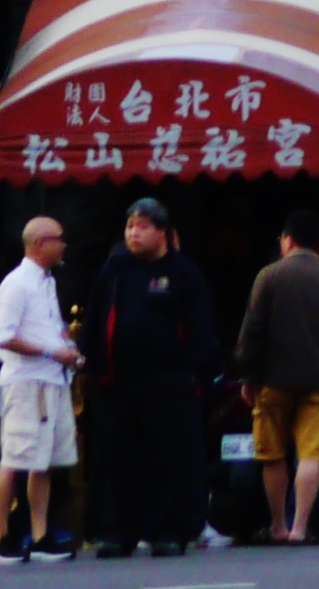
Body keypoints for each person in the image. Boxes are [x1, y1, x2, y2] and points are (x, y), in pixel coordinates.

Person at [90, 197, 223, 555]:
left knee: (170, 460)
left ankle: (170, 530)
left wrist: (194, 370)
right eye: (129, 226)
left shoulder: (182, 272)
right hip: (120, 383)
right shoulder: (115, 269)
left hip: (170, 384)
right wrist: (92, 363)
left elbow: (200, 327)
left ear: (162, 232)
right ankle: (119, 532)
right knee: (121, 459)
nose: (133, 233)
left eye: (142, 226)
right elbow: (96, 317)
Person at [232, 213, 319, 546]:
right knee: (311, 455)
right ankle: (300, 527)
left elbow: (251, 332)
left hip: (273, 382)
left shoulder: (269, 276)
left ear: (287, 240)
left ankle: (278, 525)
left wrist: (247, 376)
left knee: (273, 455)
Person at [0, 218, 80, 564]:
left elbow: (46, 327)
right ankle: (2, 537)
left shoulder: (47, 282)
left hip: (52, 380)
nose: (63, 245)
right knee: (14, 459)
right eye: (58, 239)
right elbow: (4, 336)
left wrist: (66, 346)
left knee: (43, 461)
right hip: (26, 382)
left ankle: (39, 535)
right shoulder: (17, 283)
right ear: (39, 243)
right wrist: (52, 351)